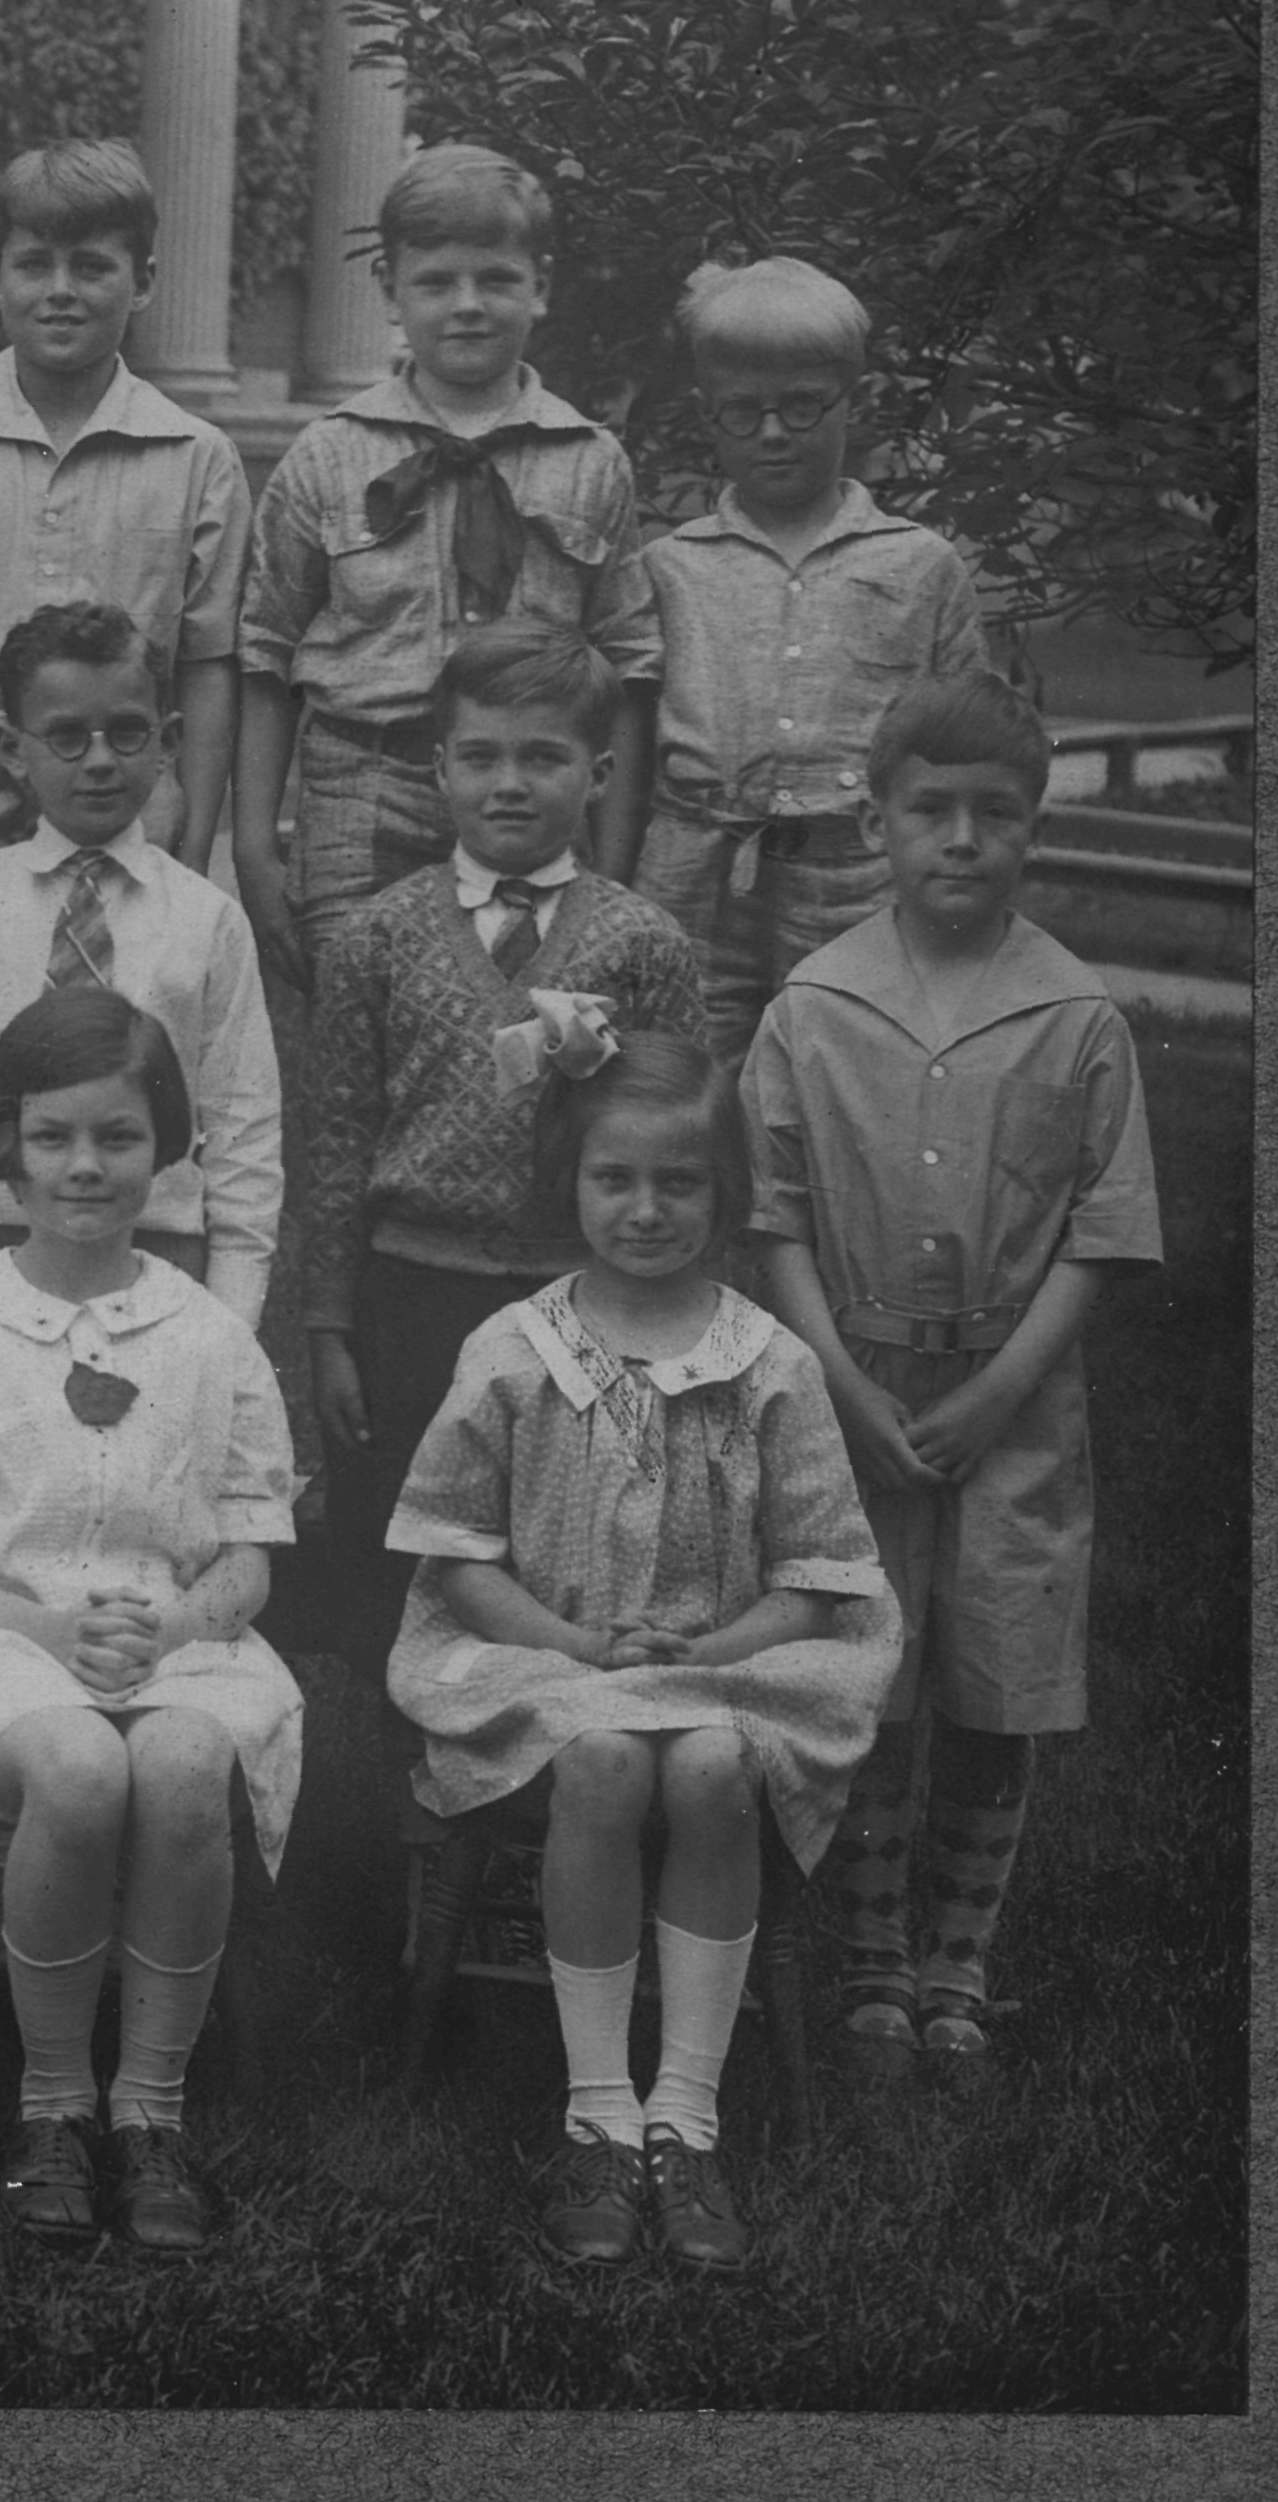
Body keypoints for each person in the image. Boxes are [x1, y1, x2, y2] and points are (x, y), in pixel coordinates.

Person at [388, 1033, 894, 2271]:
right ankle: (599, 2112)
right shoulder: (515, 1349)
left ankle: (687, 2110)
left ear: (727, 1194)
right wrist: (574, 1642)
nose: (646, 1208)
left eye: (680, 1182)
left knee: (711, 1764)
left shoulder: (769, 1362)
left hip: (728, 1662)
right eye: (614, 1178)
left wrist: (711, 1644)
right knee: (605, 1758)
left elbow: (818, 1576)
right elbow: (455, 1556)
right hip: (545, 1659)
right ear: (569, 1181)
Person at [744, 671, 1162, 2077]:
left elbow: (1101, 1233)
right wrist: (835, 1379)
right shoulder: (814, 1005)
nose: (963, 839)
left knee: (996, 1672)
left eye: (997, 813)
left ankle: (956, 1956)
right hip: (852, 1382)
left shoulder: (1075, 1014)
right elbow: (775, 1220)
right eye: (932, 810)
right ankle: (870, 1948)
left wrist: (997, 1391)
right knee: (871, 1666)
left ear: (1036, 824)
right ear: (876, 820)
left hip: (1012, 1394)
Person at [0, 989, 302, 2255]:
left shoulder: (211, 1336)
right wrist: (48, 1637)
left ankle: (149, 2108)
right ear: (4, 1143)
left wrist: (174, 1632)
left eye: (117, 1135)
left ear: (167, 1146)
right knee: (79, 1764)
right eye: (50, 1137)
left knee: (183, 1758)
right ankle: (52, 2099)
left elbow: (250, 1559)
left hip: (178, 1638)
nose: (84, 1167)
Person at [280, 620, 703, 1695]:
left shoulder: (642, 943)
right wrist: (329, 1327)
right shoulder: (377, 937)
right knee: (406, 1545)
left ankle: (546, 1763)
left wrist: (667, 1318)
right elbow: (335, 1140)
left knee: (563, 1547)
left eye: (542, 757)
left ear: (596, 773)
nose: (508, 784)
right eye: (480, 756)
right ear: (438, 768)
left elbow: (681, 1141)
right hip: (411, 1295)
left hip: (582, 1295)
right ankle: (405, 1773)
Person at [233, 144, 662, 993]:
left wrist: (611, 868)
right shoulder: (327, 456)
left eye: (495, 279)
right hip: (362, 796)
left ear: (539, 285)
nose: (466, 305)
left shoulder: (589, 463)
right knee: (357, 1021)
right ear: (390, 289)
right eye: (434, 282)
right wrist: (251, 845)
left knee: (524, 1032)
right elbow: (263, 651)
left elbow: (630, 665)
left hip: (532, 796)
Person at [0, 602, 280, 1326]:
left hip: (154, 1249)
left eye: (127, 732)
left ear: (167, 742)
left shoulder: (207, 920)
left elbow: (243, 1122)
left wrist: (234, 1309)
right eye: (65, 737)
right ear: (12, 750)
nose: (99, 761)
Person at [619, 259, 994, 1057]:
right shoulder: (669, 568)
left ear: (849, 400)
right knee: (681, 1078)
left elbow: (971, 747)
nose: (771, 432)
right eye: (741, 410)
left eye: (800, 405)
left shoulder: (918, 566)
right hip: (692, 879)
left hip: (857, 880)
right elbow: (628, 745)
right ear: (706, 413)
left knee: (849, 1074)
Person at [0, 139, 248, 900]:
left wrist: (195, 841)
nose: (60, 291)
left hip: (128, 790)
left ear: (142, 281)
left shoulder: (195, 457)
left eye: (90, 267)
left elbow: (209, 661)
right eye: (33, 265)